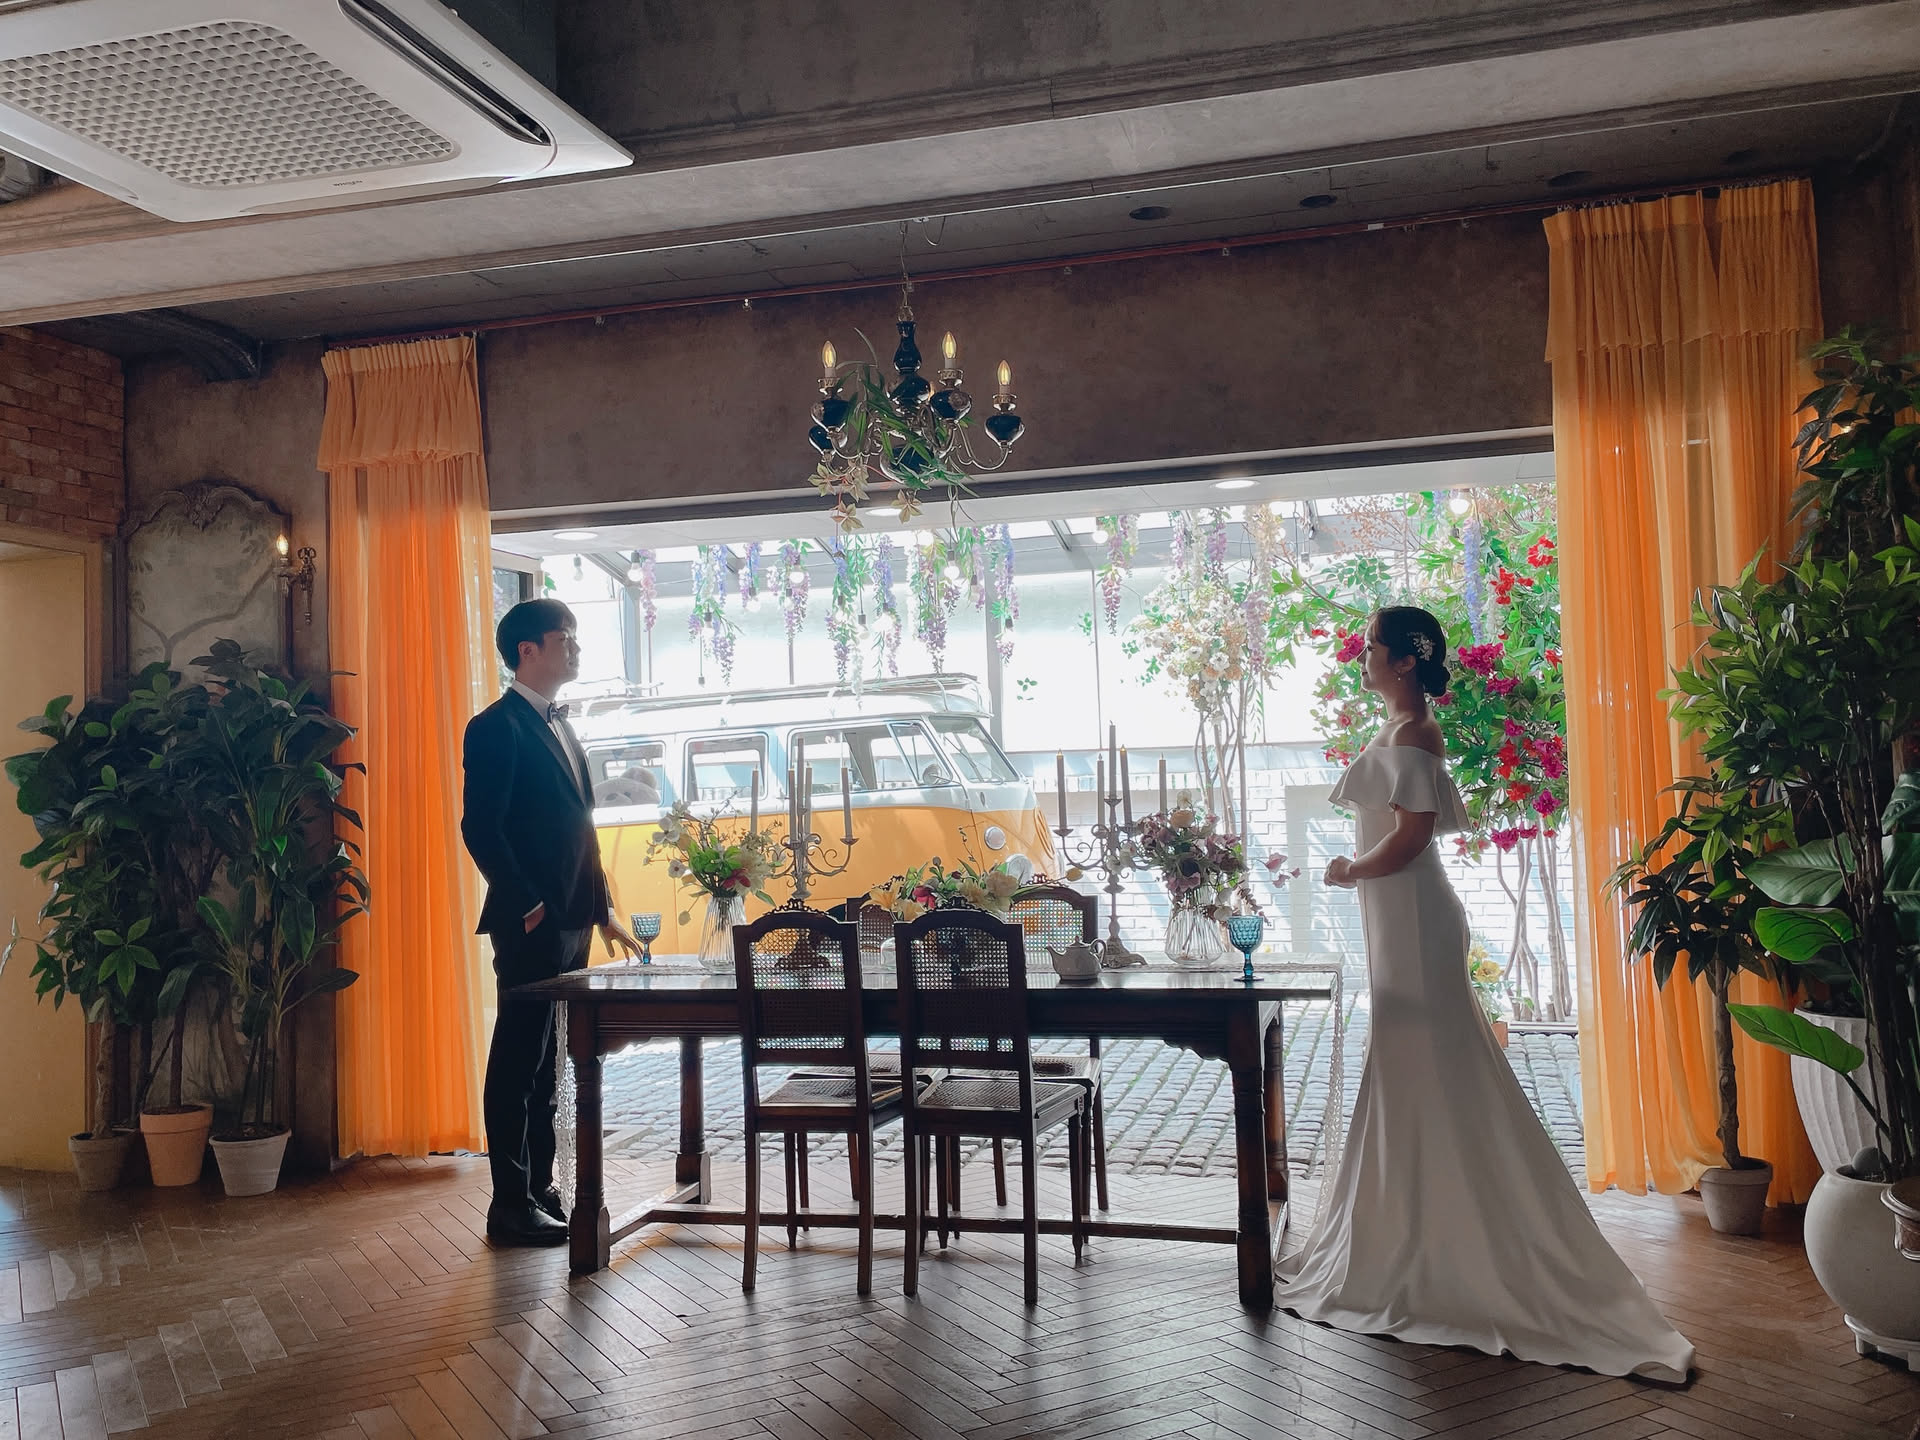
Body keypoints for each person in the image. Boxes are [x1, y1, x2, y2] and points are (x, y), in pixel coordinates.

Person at [1279, 605, 1693, 1382]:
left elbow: (1411, 837)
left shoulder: (1415, 733)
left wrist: (1347, 870)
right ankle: (1413, 1223)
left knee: (1433, 1061)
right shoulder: (1398, 728)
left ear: (1405, 660)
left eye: (1372, 648)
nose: (1363, 658)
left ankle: (1451, 1241)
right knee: (1411, 1064)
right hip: (1398, 917)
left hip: (1413, 916)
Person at [462, 598, 639, 1246]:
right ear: (527, 651)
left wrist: (602, 910)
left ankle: (539, 1188)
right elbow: (481, 828)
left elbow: (581, 831)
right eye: (566, 639)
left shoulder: (563, 726)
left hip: (574, 920)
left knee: (548, 1063)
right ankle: (509, 1204)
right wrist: (530, 905)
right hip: (532, 923)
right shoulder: (495, 727)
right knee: (517, 1059)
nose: (576, 650)